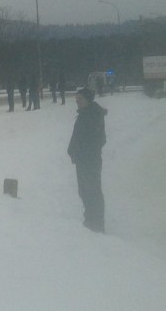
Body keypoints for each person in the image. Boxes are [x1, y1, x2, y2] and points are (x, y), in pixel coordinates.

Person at [68, 88, 107, 233]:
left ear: (88, 100)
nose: (77, 102)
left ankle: (97, 223)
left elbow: (99, 139)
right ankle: (89, 219)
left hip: (90, 161)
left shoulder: (93, 116)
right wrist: (72, 151)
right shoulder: (84, 114)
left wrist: (83, 152)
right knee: (84, 191)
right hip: (81, 160)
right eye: (76, 100)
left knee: (93, 191)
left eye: (80, 99)